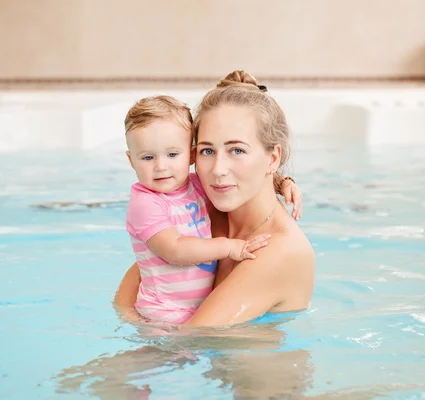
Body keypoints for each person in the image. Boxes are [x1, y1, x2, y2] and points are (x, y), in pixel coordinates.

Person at [115, 70, 315, 327]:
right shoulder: (204, 214)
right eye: (208, 150)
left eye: (237, 150)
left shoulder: (280, 251)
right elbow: (127, 298)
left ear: (273, 158)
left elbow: (193, 337)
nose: (217, 169)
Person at [123, 95, 274, 324]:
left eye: (172, 154)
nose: (161, 166)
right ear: (131, 160)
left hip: (192, 309)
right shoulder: (145, 203)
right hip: (163, 313)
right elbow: (174, 250)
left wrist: (283, 184)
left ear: (191, 155)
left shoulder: (194, 185)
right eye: (147, 157)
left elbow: (236, 186)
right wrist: (230, 247)